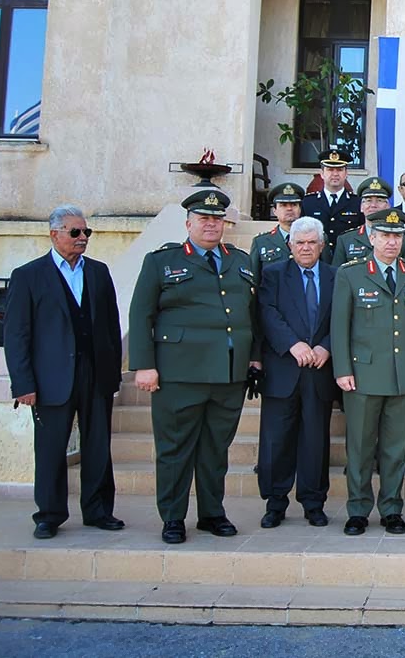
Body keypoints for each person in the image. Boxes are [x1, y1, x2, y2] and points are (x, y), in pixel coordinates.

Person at [130, 189, 260, 544]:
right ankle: (173, 517)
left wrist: (255, 357)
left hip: (228, 373)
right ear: (188, 223)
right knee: (175, 450)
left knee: (215, 450)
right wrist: (144, 365)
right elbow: (142, 314)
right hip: (179, 373)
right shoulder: (162, 261)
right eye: (203, 218)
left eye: (217, 219)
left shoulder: (241, 261)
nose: (211, 225)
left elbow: (253, 315)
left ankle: (211, 513)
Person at [4, 205, 124, 540]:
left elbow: (111, 328)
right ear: (54, 234)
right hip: (50, 379)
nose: (82, 238)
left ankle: (99, 510)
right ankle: (49, 514)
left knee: (98, 445)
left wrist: (112, 374)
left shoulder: (98, 272)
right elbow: (16, 334)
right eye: (75, 232)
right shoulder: (28, 275)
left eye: (87, 232)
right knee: (51, 448)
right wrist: (23, 383)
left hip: (95, 373)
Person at [331, 208, 405, 536]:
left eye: (397, 236)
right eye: (385, 236)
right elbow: (339, 326)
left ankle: (391, 508)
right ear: (371, 237)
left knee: (396, 447)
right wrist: (342, 369)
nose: (391, 242)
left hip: (401, 376)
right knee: (360, 446)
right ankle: (358, 509)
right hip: (363, 375)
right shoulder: (351, 273)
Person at [255, 216, 337, 529]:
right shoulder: (273, 274)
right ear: (290, 246)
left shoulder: (335, 276)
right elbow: (267, 313)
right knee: (277, 441)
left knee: (315, 441)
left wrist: (326, 346)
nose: (305, 248)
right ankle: (275, 503)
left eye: (311, 242)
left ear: (322, 245)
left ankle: (314, 502)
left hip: (319, 371)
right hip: (283, 370)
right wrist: (293, 345)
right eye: (299, 243)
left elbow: (342, 318)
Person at [332, 176, 405, 265]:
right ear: (361, 207)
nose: (373, 205)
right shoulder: (345, 239)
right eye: (368, 200)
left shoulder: (404, 240)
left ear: (388, 206)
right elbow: (338, 274)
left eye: (379, 200)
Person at [301, 149, 361, 252]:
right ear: (322, 174)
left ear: (346, 173)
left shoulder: (357, 203)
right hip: (317, 260)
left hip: (348, 258)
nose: (335, 174)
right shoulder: (308, 203)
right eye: (330, 169)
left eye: (339, 170)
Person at [250, 182, 306, 285]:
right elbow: (255, 281)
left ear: (300, 209)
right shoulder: (261, 242)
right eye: (283, 205)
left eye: (294, 205)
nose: (289, 209)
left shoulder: (315, 239)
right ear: (274, 210)